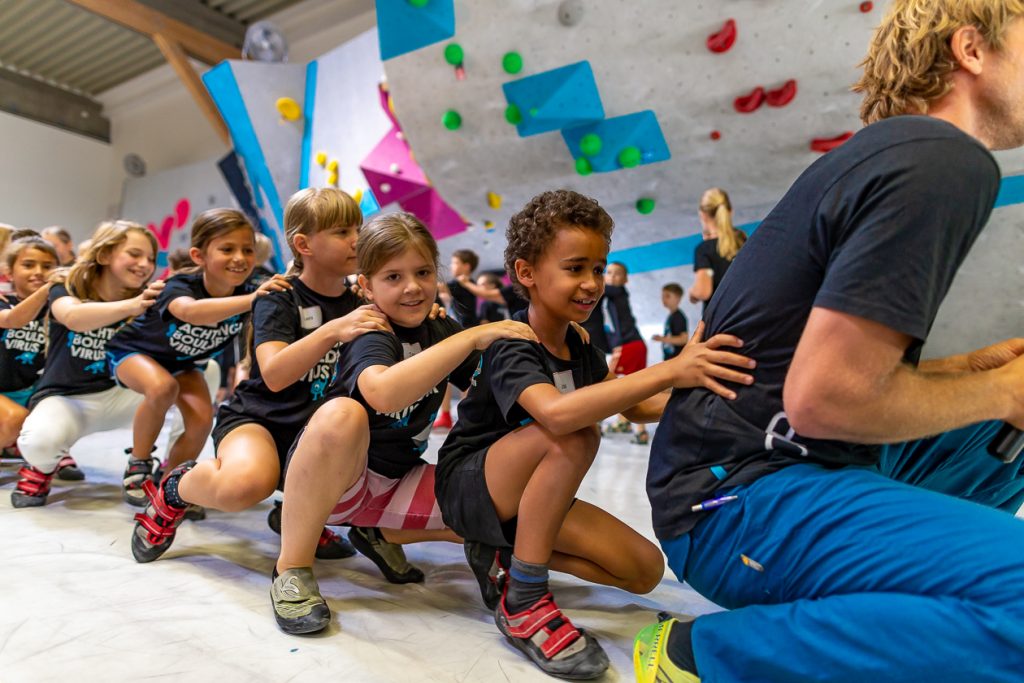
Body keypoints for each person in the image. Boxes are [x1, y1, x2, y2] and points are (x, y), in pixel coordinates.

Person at [634, 3, 1024, 682]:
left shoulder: (898, 154)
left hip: (748, 473)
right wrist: (999, 388)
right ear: (971, 49)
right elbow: (823, 398)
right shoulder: (946, 161)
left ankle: (925, 598)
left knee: (1004, 428)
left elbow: (823, 370)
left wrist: (970, 372)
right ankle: (706, 656)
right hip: (735, 506)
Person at [435, 190, 755, 680]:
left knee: (643, 570)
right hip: (473, 486)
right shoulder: (511, 343)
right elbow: (559, 416)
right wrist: (669, 369)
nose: (591, 284)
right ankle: (524, 596)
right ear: (526, 273)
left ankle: (505, 556)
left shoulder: (581, 349)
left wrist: (710, 382)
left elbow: (640, 406)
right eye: (575, 268)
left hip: (526, 502)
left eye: (599, 269)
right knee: (576, 435)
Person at [267, 213, 535, 633]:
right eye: (393, 276)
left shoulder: (440, 325)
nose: (412, 287)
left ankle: (377, 534)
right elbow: (383, 392)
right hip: (337, 487)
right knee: (343, 413)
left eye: (423, 272)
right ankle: (292, 569)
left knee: (506, 512)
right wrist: (469, 336)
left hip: (399, 481)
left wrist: (555, 341)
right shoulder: (369, 327)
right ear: (367, 286)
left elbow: (491, 389)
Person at [127, 188, 386, 564]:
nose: (357, 241)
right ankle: (174, 490)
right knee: (244, 486)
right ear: (304, 244)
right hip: (259, 419)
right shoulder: (278, 297)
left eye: (358, 229)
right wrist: (333, 330)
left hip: (318, 430)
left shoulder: (363, 300)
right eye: (342, 232)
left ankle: (294, 516)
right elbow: (276, 374)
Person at [105, 209, 289, 507]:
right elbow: (190, 312)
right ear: (199, 256)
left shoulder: (255, 285)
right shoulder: (179, 286)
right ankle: (138, 463)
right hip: (133, 352)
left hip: (184, 364)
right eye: (227, 249)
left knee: (203, 419)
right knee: (162, 388)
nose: (239, 258)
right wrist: (253, 300)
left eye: (247, 250)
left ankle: (170, 485)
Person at [11, 221, 162, 507]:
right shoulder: (67, 285)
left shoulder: (152, 299)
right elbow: (73, 317)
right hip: (67, 399)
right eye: (134, 254)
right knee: (37, 444)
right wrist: (134, 306)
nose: (144, 264)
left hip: (123, 397)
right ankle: (42, 467)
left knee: (203, 372)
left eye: (151, 258)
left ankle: (149, 465)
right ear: (104, 255)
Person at [0, 237, 73, 474]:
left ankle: (52, 452)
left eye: (48, 266)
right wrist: (48, 288)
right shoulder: (4, 302)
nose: (39, 272)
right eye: (28, 265)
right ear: (9, 272)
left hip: (32, 391)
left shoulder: (62, 309)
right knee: (14, 419)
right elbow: (12, 320)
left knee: (68, 406)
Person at [602, 261, 651, 444]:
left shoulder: (619, 292)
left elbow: (601, 288)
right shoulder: (615, 297)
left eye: (617, 274)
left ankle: (594, 422)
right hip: (637, 345)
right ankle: (629, 425)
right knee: (632, 386)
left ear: (625, 279)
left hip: (629, 346)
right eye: (609, 273)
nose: (612, 276)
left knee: (604, 382)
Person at [688, 188, 746, 313]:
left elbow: (703, 291)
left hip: (720, 322)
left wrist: (693, 292)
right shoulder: (743, 240)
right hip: (747, 314)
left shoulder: (704, 249)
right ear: (730, 212)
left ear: (702, 215)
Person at [652, 283, 689, 360]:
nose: (664, 299)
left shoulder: (679, 317)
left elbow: (683, 339)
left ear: (678, 298)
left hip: (677, 360)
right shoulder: (671, 316)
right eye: (663, 296)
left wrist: (662, 339)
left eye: (668, 296)